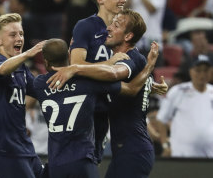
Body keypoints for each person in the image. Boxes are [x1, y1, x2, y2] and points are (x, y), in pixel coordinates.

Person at [48, 9, 168, 178]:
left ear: (128, 36)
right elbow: (110, 77)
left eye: (116, 25)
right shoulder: (126, 60)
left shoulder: (130, 58)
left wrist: (75, 67)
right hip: (128, 149)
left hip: (133, 149)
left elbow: (114, 74)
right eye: (111, 23)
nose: (109, 28)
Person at [34, 38, 160, 178]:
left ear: (45, 62)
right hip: (83, 161)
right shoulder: (88, 82)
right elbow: (131, 89)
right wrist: (149, 66)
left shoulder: (39, 84)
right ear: (69, 55)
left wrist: (27, 54)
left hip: (56, 164)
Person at [69, 0, 127, 165]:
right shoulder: (85, 26)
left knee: (95, 161)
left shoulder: (124, 30)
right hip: (86, 106)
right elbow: (75, 65)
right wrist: (110, 64)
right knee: (80, 163)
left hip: (109, 108)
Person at [0, 13, 45, 178]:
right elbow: (2, 69)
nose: (19, 38)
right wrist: (26, 54)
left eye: (21, 34)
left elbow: (42, 91)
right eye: (12, 35)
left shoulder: (22, 68)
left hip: (25, 146)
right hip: (7, 148)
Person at [157, 54, 213, 158]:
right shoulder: (178, 92)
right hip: (182, 154)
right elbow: (161, 120)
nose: (202, 74)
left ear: (211, 72)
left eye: (205, 70)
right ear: (190, 71)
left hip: (209, 156)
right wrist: (165, 146)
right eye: (198, 70)